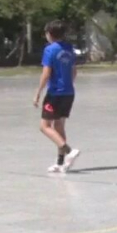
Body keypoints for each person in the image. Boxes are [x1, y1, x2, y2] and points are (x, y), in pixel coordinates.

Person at [34, 20, 81, 173]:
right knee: (59, 126)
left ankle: (69, 151)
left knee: (44, 126)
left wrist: (37, 93)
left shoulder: (50, 50)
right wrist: (68, 84)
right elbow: (74, 71)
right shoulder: (69, 48)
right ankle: (60, 162)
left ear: (50, 34)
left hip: (55, 93)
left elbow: (46, 73)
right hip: (69, 92)